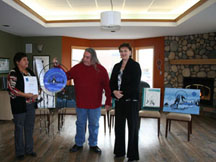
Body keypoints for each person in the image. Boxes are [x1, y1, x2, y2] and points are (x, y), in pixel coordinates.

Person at [53, 48, 111, 154]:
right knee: (80, 124)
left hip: (95, 104)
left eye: (87, 57)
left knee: (94, 125)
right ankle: (79, 143)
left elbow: (107, 87)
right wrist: (57, 67)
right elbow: (65, 76)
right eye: (84, 56)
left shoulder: (101, 70)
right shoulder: (77, 68)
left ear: (93, 58)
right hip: (81, 103)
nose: (84, 59)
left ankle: (93, 144)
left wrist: (108, 101)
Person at [110, 43, 141, 161]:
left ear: (130, 52)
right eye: (121, 51)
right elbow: (111, 82)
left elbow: (135, 84)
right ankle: (119, 151)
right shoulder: (116, 66)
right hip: (119, 102)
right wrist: (113, 91)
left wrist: (121, 94)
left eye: (125, 51)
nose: (123, 53)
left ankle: (132, 155)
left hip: (131, 101)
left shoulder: (135, 66)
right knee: (119, 127)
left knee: (132, 128)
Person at [7, 52, 38, 160]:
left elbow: (35, 85)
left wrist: (37, 93)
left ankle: (29, 150)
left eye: (27, 60)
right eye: (24, 60)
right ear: (17, 62)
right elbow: (11, 89)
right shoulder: (13, 72)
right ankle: (20, 152)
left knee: (29, 128)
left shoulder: (30, 72)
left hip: (30, 105)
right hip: (19, 105)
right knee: (19, 128)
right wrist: (25, 95)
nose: (27, 62)